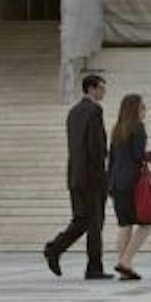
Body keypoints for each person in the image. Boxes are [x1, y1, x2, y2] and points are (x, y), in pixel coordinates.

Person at [45, 72, 111, 281]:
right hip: (92, 177)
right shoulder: (94, 111)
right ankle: (94, 267)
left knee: (82, 219)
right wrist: (103, 174)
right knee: (94, 223)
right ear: (91, 88)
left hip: (75, 174)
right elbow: (96, 147)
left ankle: (55, 248)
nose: (104, 92)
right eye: (101, 88)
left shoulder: (73, 112)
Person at [107, 92, 151, 280]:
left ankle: (124, 266)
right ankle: (126, 261)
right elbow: (138, 155)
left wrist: (110, 183)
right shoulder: (138, 127)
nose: (145, 111)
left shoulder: (117, 128)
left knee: (125, 224)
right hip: (132, 183)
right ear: (135, 109)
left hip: (116, 182)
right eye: (143, 107)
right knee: (148, 222)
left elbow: (111, 159)